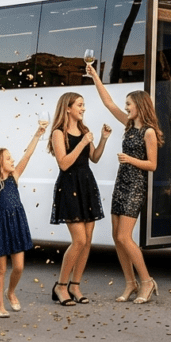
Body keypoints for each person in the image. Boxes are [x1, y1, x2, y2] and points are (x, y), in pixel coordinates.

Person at [87, 63, 164, 304]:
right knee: (116, 236)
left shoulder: (149, 132)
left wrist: (130, 159)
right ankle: (130, 283)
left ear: (139, 106)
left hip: (135, 186)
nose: (126, 107)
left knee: (124, 236)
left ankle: (147, 281)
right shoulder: (129, 125)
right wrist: (95, 76)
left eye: (129, 104)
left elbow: (152, 165)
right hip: (121, 183)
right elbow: (109, 103)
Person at [0, 119, 48, 318]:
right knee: (1, 269)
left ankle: (11, 292)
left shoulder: (14, 176)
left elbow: (27, 155)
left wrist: (37, 134)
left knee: (19, 267)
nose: (13, 160)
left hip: (16, 223)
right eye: (8, 158)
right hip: (0, 225)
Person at [49, 92, 111, 306]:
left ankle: (75, 286)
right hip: (69, 185)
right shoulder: (58, 133)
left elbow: (94, 157)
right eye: (80, 105)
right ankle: (61, 285)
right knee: (80, 240)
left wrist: (103, 139)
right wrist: (83, 142)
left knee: (87, 241)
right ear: (68, 108)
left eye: (83, 105)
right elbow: (64, 163)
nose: (83, 108)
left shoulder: (84, 130)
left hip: (86, 184)